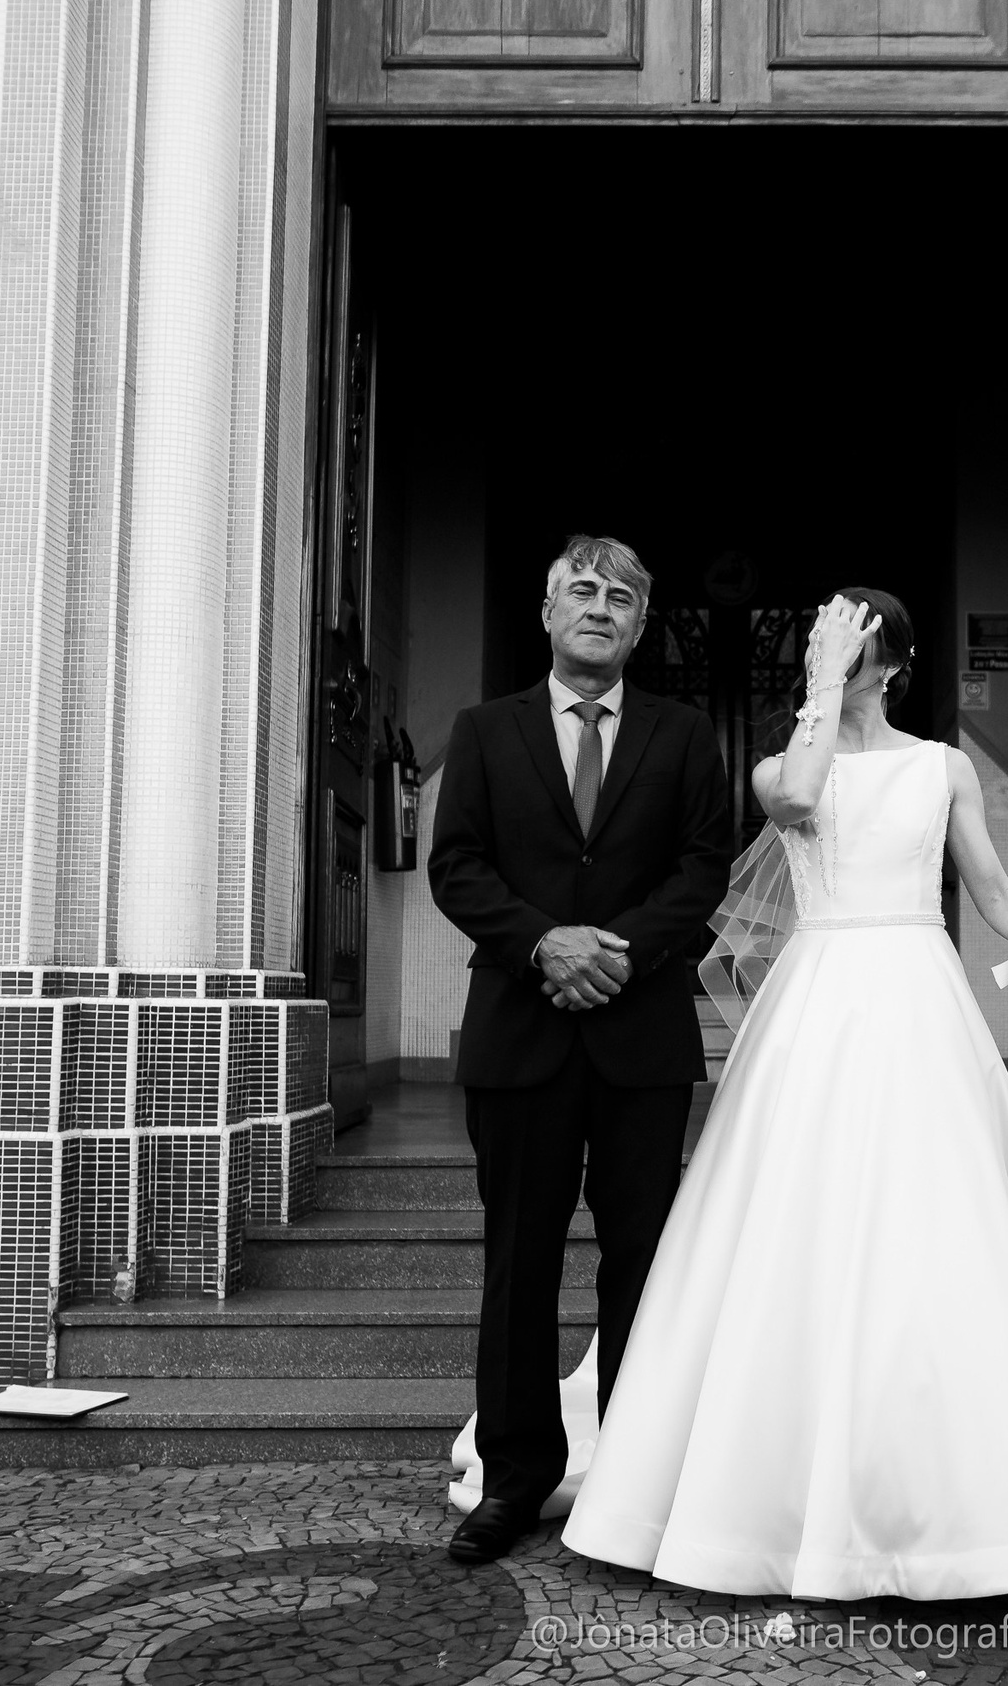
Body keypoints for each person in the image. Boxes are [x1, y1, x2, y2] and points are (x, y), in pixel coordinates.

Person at [559, 590, 1008, 1600]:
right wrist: (819, 685)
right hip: (818, 1000)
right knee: (798, 1222)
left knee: (936, 1232)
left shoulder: (944, 765)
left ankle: (974, 1504)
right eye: (818, 640)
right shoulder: (779, 762)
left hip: (920, 1002)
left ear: (896, 660)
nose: (828, 652)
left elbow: (999, 899)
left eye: (850, 641)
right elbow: (797, 802)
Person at [427, 534, 734, 1567]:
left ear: (643, 624)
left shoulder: (684, 733)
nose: (601, 605)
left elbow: (703, 871)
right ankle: (516, 1477)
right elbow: (455, 864)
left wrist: (621, 952)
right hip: (520, 1032)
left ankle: (634, 1479)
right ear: (549, 612)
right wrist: (541, 944)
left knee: (642, 1262)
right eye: (583, 589)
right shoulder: (483, 730)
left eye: (623, 595)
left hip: (640, 1036)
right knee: (520, 1260)